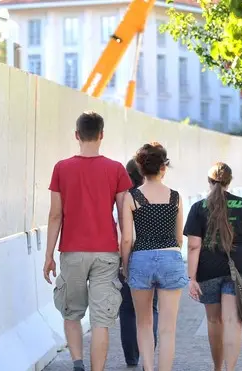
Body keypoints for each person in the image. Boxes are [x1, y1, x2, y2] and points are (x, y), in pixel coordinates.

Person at [43, 111, 133, 371]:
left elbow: (55, 215)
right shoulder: (116, 169)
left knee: (71, 312)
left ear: (76, 135)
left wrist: (49, 255)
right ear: (102, 135)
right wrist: (124, 258)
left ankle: (78, 363)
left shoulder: (61, 168)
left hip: (72, 251)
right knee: (101, 319)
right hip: (106, 252)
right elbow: (124, 218)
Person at [183, 162, 242, 371]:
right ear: (229, 181)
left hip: (208, 271)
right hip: (239, 270)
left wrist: (191, 278)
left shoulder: (198, 207)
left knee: (214, 321)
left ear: (210, 182)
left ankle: (218, 368)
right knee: (232, 321)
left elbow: (193, 246)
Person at [120, 143, 187, 371]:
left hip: (141, 258)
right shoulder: (176, 197)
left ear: (140, 168)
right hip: (170, 256)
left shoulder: (132, 197)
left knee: (144, 323)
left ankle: (147, 368)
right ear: (164, 168)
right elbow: (179, 238)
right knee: (168, 329)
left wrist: (126, 266)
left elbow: (127, 239)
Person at [118, 159, 159, 367]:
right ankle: (148, 356)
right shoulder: (154, 194)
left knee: (126, 308)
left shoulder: (124, 196)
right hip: (151, 254)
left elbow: (124, 235)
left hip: (127, 253)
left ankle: (131, 357)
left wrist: (124, 264)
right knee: (151, 307)